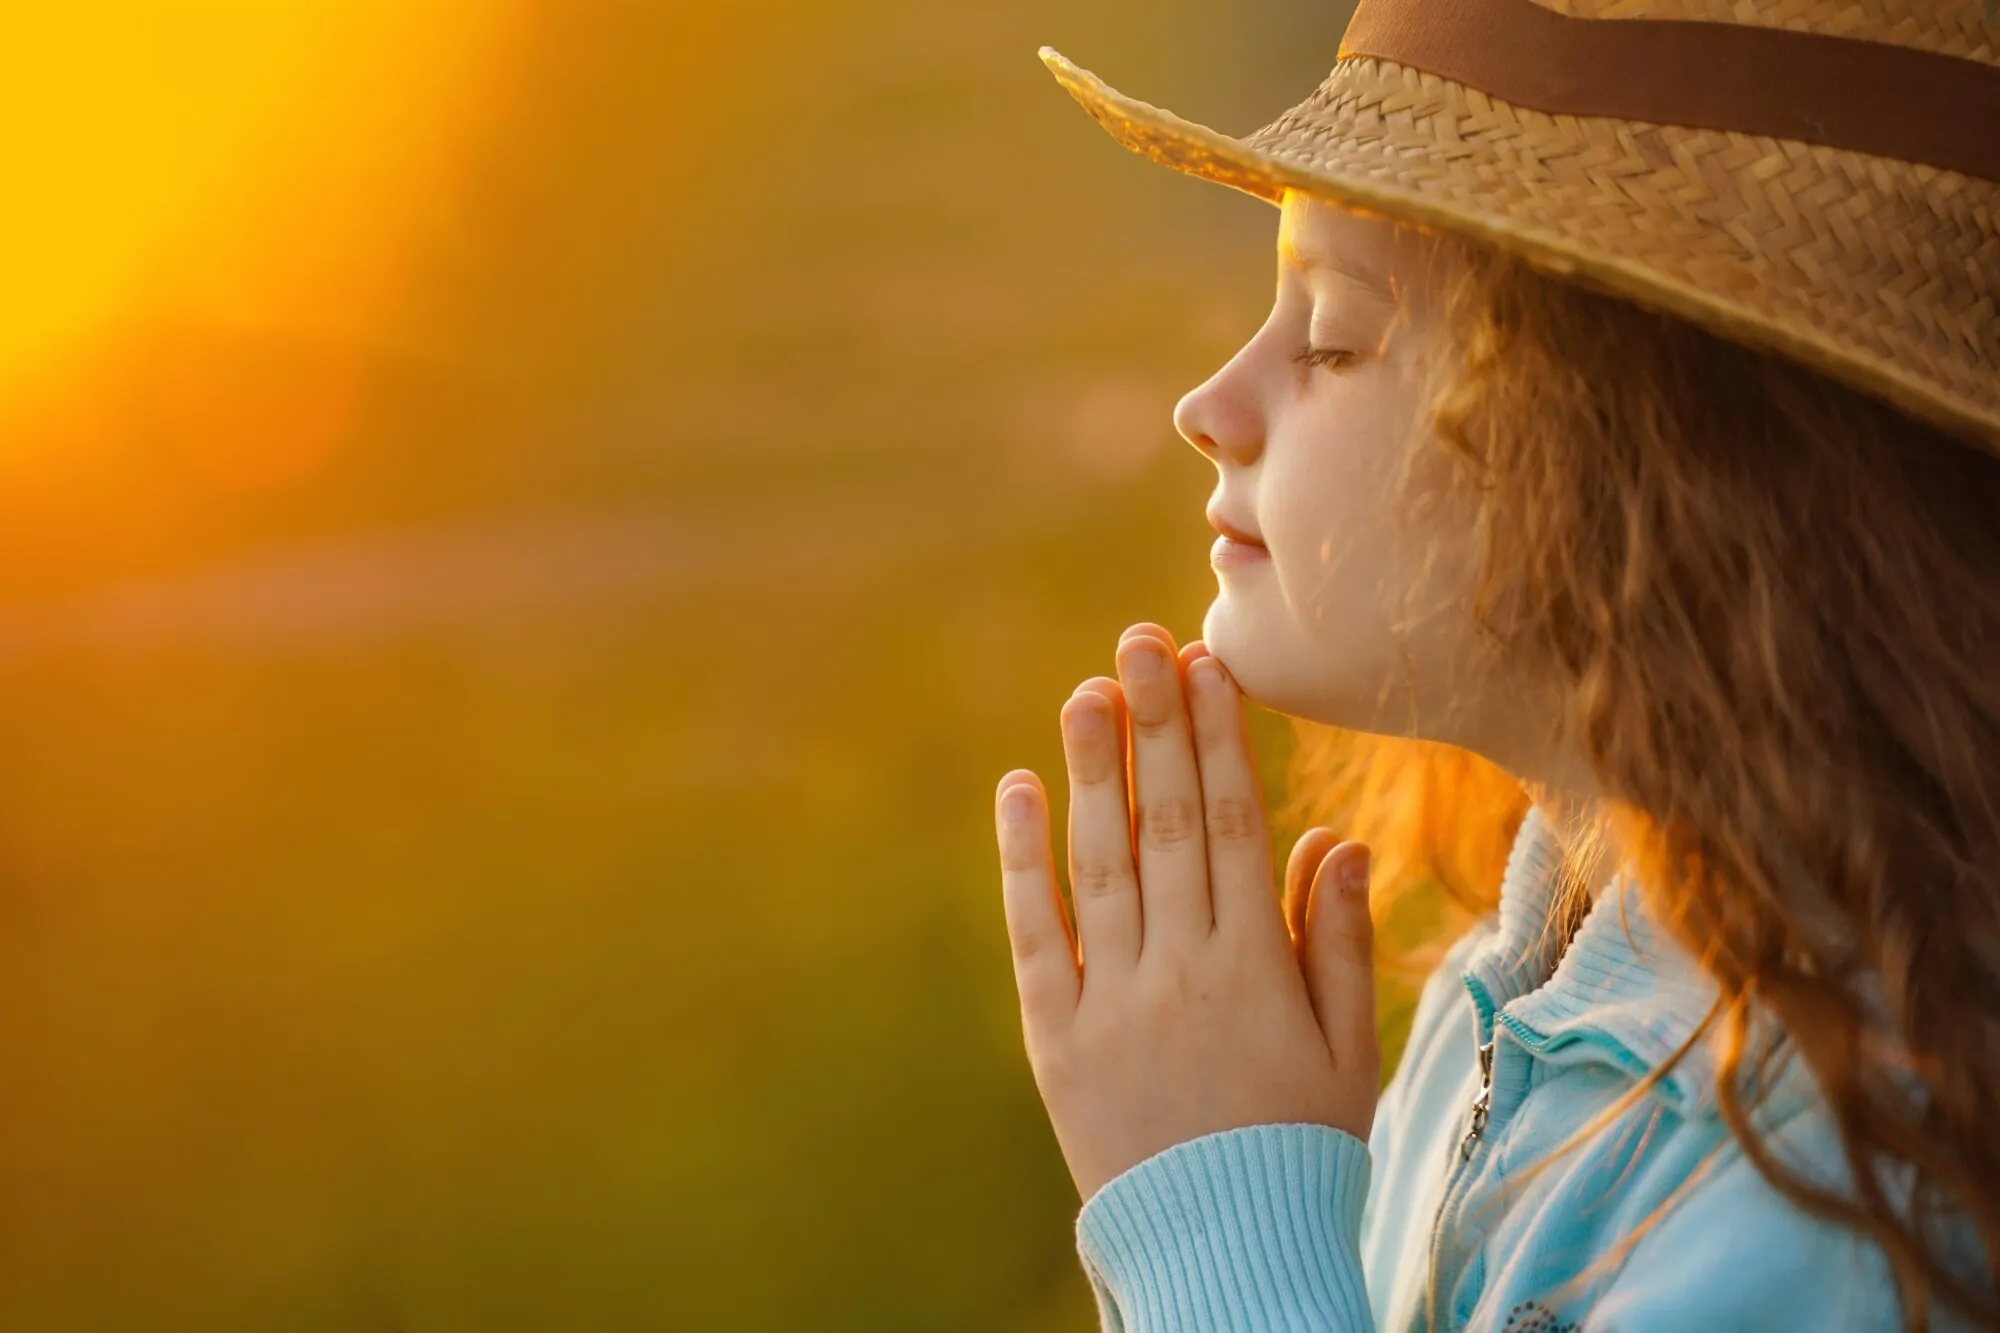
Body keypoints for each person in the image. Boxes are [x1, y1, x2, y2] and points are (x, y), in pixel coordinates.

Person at [989, 0, 2000, 1328]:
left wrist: (1213, 1220)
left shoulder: (1844, 1212)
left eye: (1336, 334)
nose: (1211, 404)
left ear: (1649, 455)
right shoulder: (1504, 992)